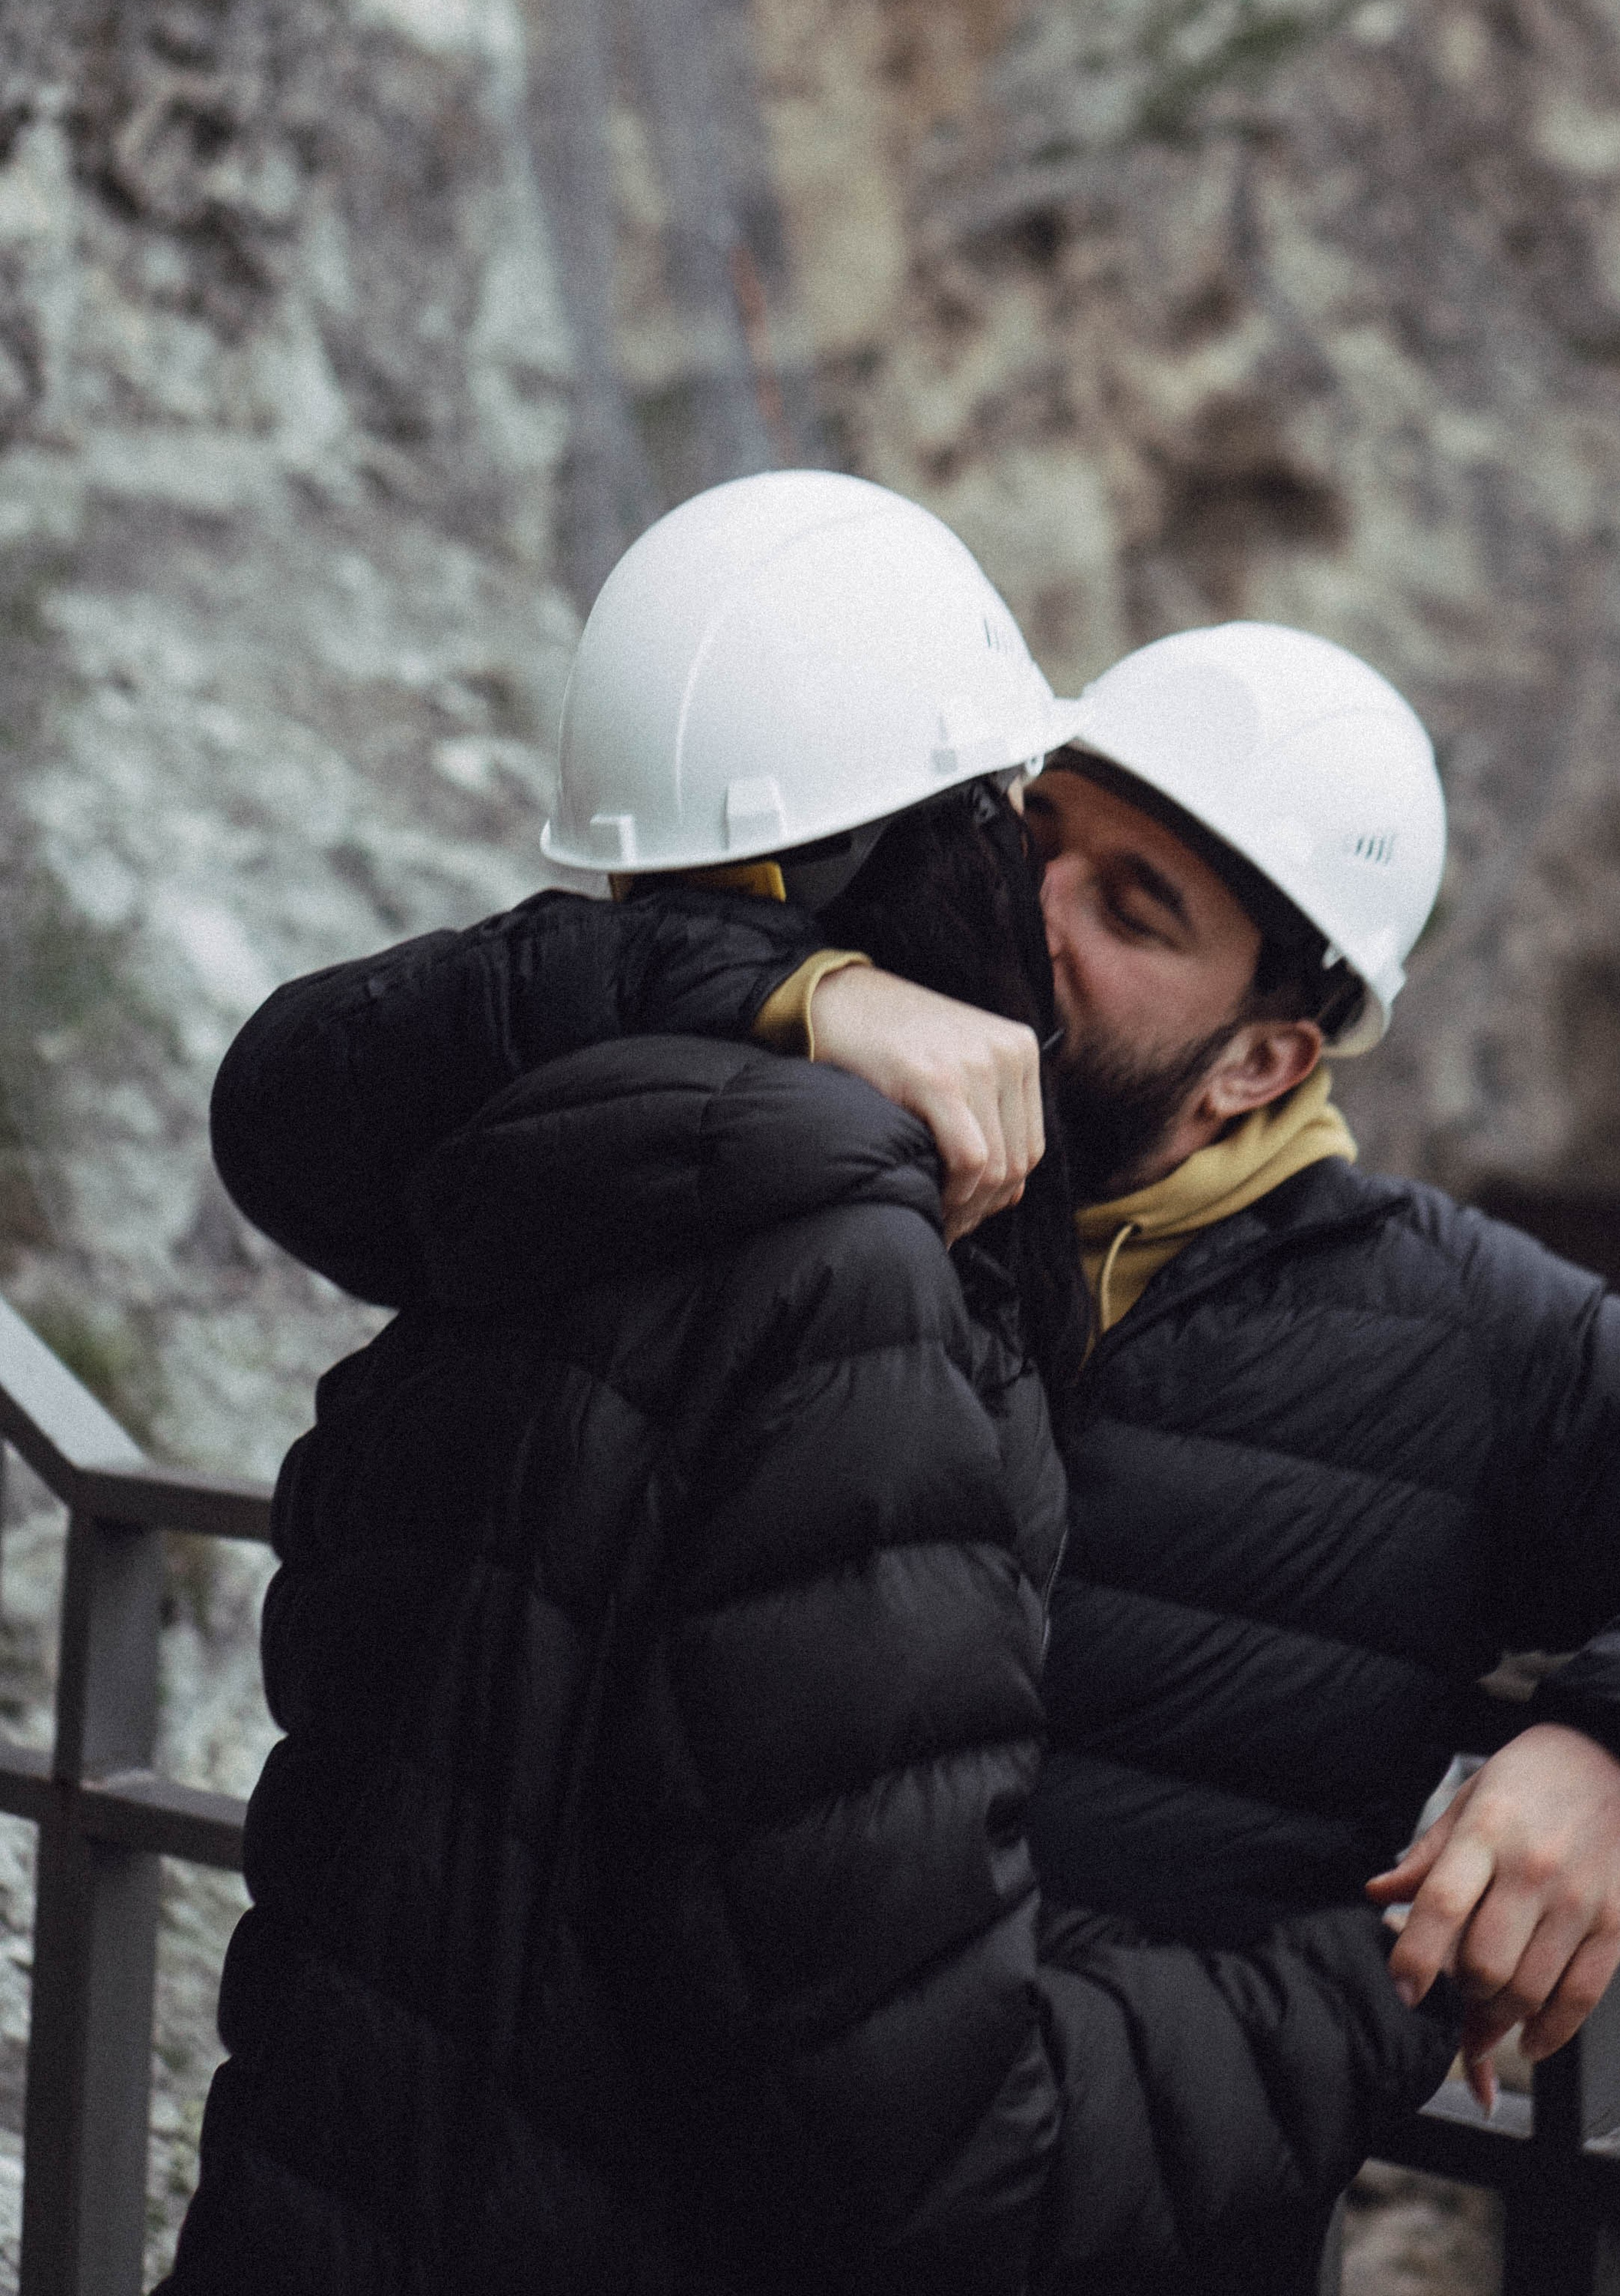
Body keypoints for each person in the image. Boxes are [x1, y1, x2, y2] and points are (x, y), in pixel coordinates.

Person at [197, 501, 1620, 2123]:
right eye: (1034, 838)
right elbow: (302, 1104)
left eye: (1133, 910)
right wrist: (767, 990)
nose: (1033, 913)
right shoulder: (824, 1135)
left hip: (1081, 2195)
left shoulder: (1454, 1332)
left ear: (1262, 1059)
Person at [164, 476, 1457, 2296]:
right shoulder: (851, 1286)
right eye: (1012, 825)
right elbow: (935, 2154)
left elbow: (312, 1080)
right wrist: (1386, 1982)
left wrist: (786, 991)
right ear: (943, 856)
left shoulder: (528, 1162)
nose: (1038, 898)